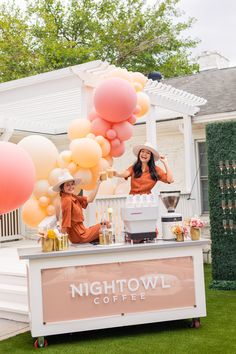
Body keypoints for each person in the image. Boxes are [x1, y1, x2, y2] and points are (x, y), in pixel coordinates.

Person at [52, 170, 102, 244]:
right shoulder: (67, 200)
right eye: (68, 185)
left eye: (72, 184)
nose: (71, 187)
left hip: (81, 233)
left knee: (102, 230)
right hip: (79, 236)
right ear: (62, 188)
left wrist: (98, 184)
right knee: (105, 225)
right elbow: (65, 222)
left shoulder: (72, 197)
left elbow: (89, 199)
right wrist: (60, 241)